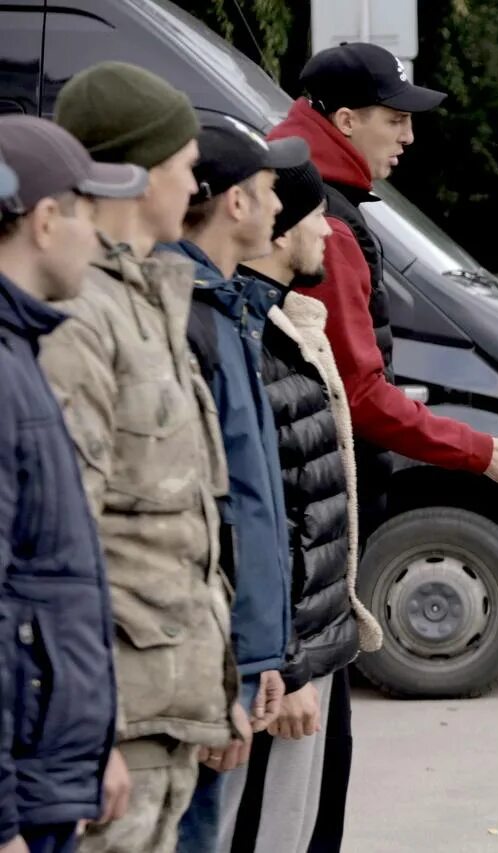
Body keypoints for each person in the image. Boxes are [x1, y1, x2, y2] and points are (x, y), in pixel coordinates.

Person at [267, 42, 498, 848]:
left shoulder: (306, 189)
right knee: (300, 782)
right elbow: (357, 396)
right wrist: (484, 451)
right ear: (344, 118)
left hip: (300, 511)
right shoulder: (319, 217)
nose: (409, 136)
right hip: (309, 524)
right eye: (395, 119)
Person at [41, 62, 247, 853]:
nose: (196, 181)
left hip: (166, 704)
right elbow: (64, 542)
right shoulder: (78, 314)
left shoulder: (149, 298)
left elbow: (186, 528)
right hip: (116, 719)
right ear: (132, 172)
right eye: (183, 164)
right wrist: (83, 733)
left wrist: (217, 682)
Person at [225, 159, 383, 853]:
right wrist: (287, 667)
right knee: (265, 831)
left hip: (312, 648)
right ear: (280, 227)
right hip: (282, 665)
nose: (328, 229)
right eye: (316, 214)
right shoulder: (254, 341)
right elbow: (267, 521)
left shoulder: (290, 327)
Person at [0, 117, 148, 853]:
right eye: (89, 214)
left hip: (50, 774)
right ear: (46, 219)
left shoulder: (22, 350)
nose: (100, 236)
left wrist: (94, 748)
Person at [166, 116, 310, 853]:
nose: (281, 207)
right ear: (233, 203)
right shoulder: (185, 316)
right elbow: (204, 517)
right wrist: (228, 671)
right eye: (267, 189)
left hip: (233, 657)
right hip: (199, 668)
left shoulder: (226, 306)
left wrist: (264, 657)